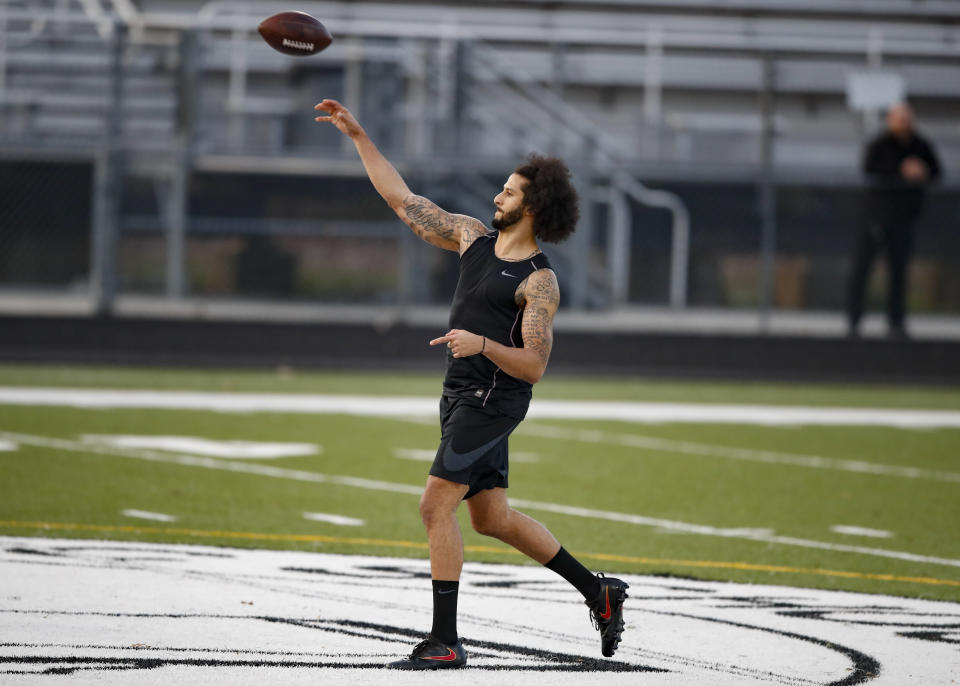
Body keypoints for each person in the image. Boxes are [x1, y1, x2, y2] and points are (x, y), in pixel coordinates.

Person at [314, 98, 629, 669]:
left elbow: (533, 367)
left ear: (533, 207)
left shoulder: (540, 283)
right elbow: (402, 200)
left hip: (495, 399)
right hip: (460, 393)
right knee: (491, 518)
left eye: (509, 192)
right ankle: (598, 592)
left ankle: (446, 641)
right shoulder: (470, 238)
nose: (496, 196)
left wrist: (482, 344)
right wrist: (360, 136)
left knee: (435, 506)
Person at [847, 102, 941, 338]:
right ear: (890, 120)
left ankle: (896, 322)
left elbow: (937, 171)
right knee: (862, 269)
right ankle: (854, 320)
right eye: (899, 119)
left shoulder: (921, 146)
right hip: (875, 218)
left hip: (904, 220)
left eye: (907, 119)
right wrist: (901, 170)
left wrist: (922, 172)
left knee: (898, 272)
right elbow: (870, 169)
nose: (904, 123)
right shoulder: (880, 145)